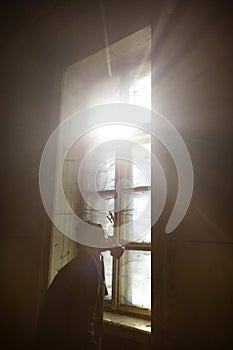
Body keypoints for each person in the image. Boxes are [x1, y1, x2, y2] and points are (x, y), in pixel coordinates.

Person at [34, 243, 124, 350]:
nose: (107, 238)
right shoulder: (87, 268)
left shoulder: (90, 262)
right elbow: (82, 324)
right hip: (61, 341)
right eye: (102, 236)